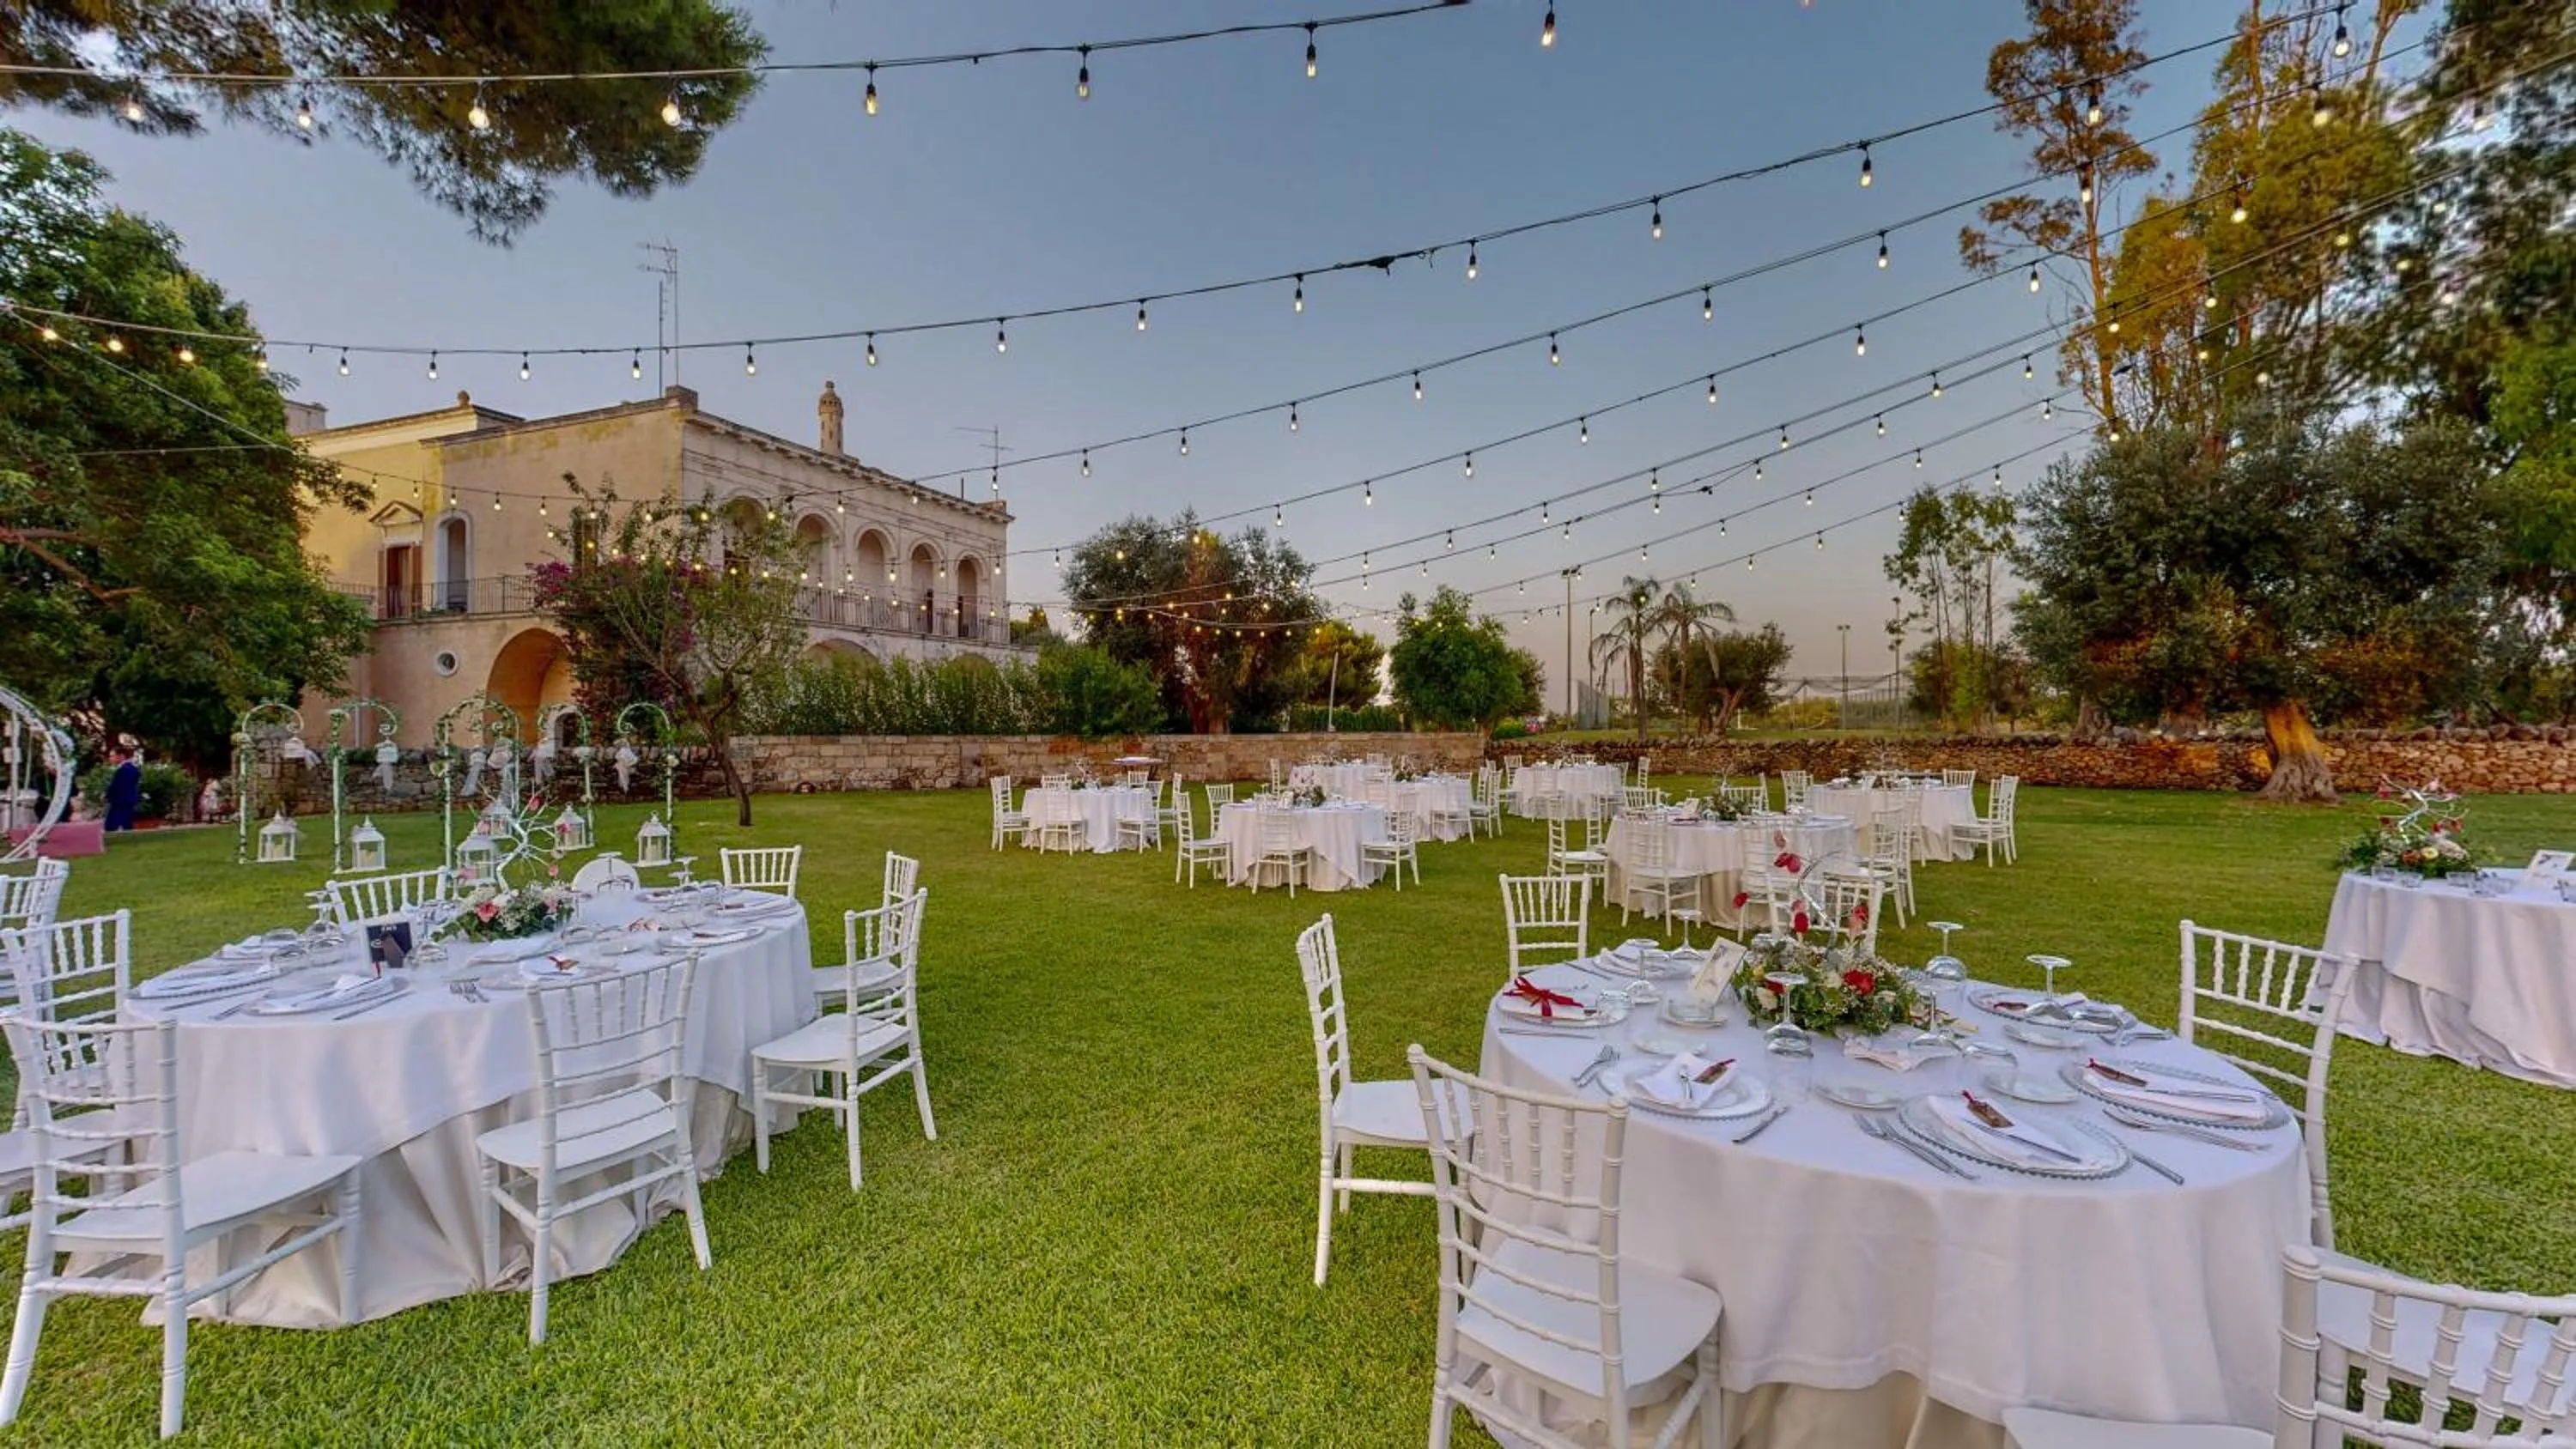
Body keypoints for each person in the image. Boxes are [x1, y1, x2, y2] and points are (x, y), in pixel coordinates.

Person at [103, 748, 143, 832]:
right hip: (129, 800)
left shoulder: (124, 770)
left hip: (120, 801)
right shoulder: (133, 769)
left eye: (113, 756)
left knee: (111, 826)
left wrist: (107, 795)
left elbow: (119, 786)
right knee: (127, 825)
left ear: (121, 756)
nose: (111, 759)